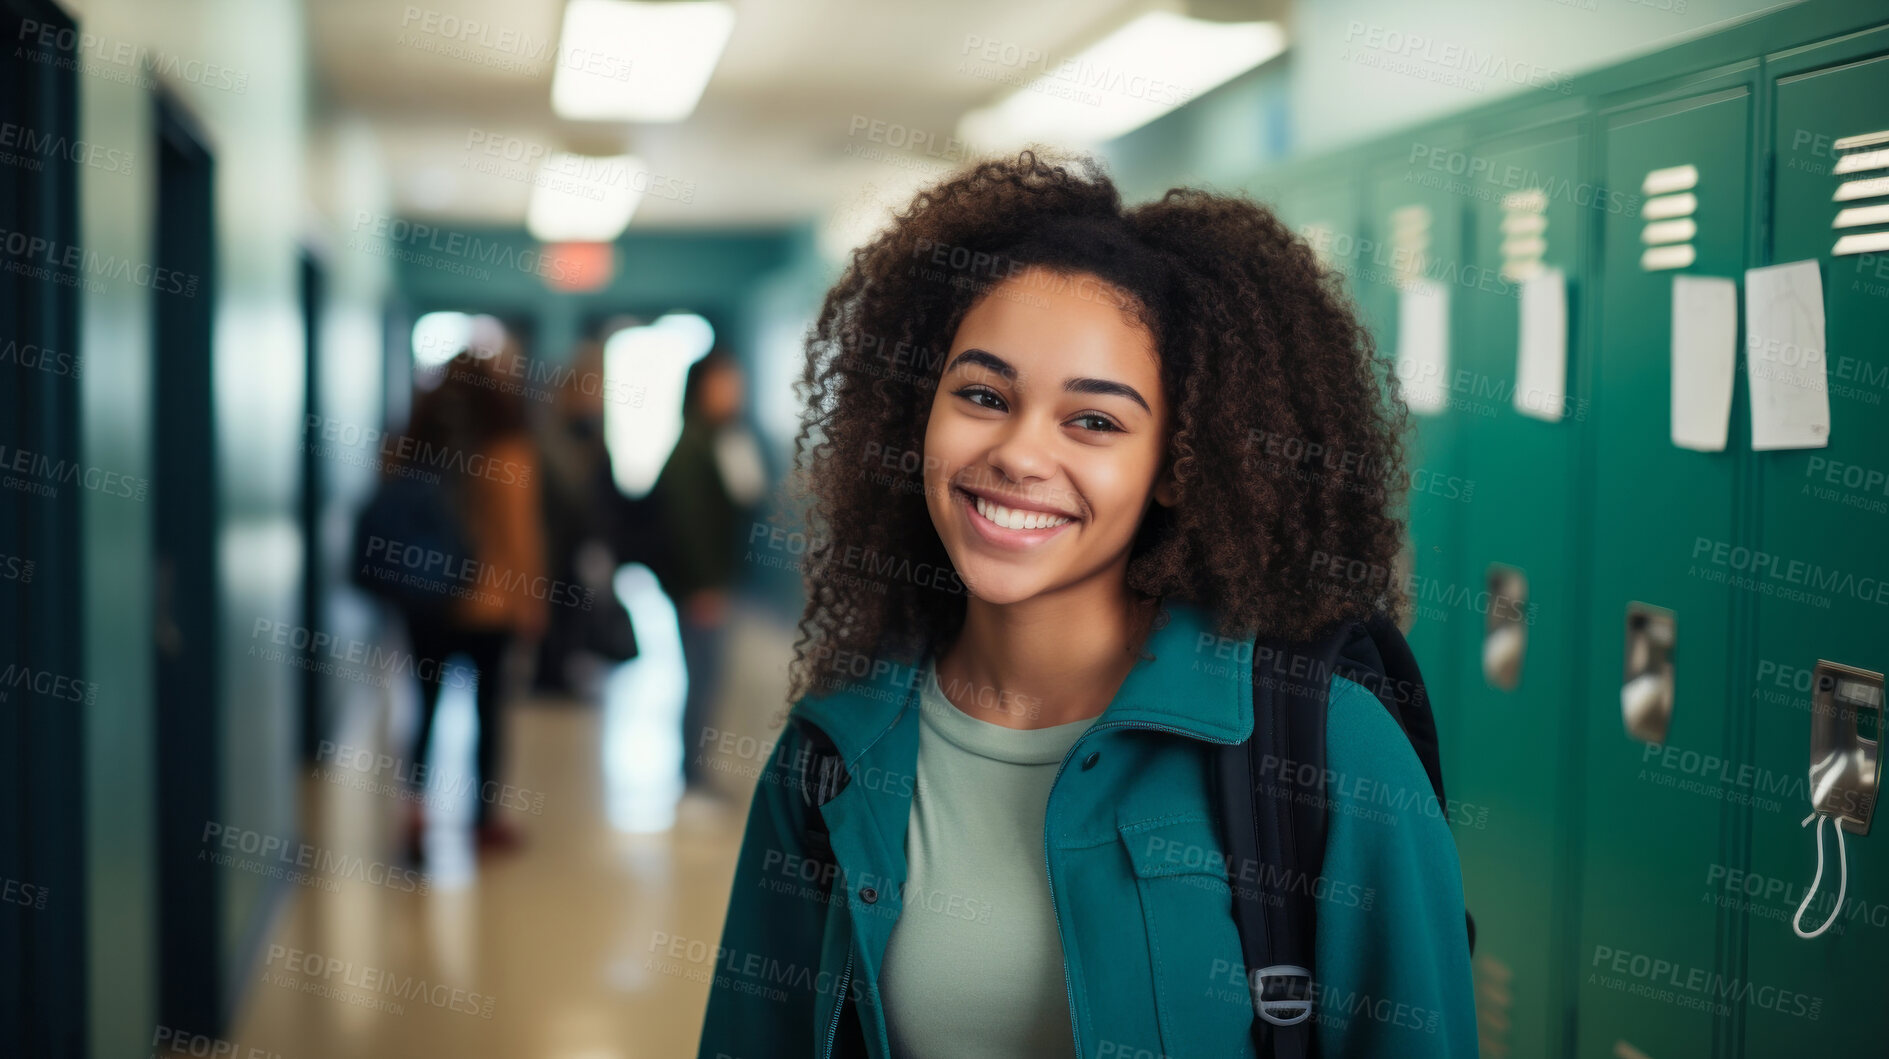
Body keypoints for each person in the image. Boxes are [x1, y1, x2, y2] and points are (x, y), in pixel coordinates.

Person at [697, 150, 1477, 1058]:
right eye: (983, 396)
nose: (1020, 454)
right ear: (919, 412)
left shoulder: (1325, 747)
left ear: (1180, 466)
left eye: (1094, 421)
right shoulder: (831, 753)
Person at [390, 344, 548, 857]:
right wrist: (532, 601)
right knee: (488, 711)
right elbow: (520, 535)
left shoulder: (414, 441)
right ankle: (483, 821)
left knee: (425, 705)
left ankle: (416, 813)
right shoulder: (508, 449)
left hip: (426, 601)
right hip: (489, 606)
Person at [648, 349, 768, 793]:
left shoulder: (721, 439)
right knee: (702, 682)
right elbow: (688, 524)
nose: (735, 393)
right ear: (702, 389)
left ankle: (695, 774)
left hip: (711, 583)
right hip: (700, 589)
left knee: (708, 680)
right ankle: (693, 779)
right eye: (725, 385)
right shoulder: (694, 448)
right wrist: (703, 586)